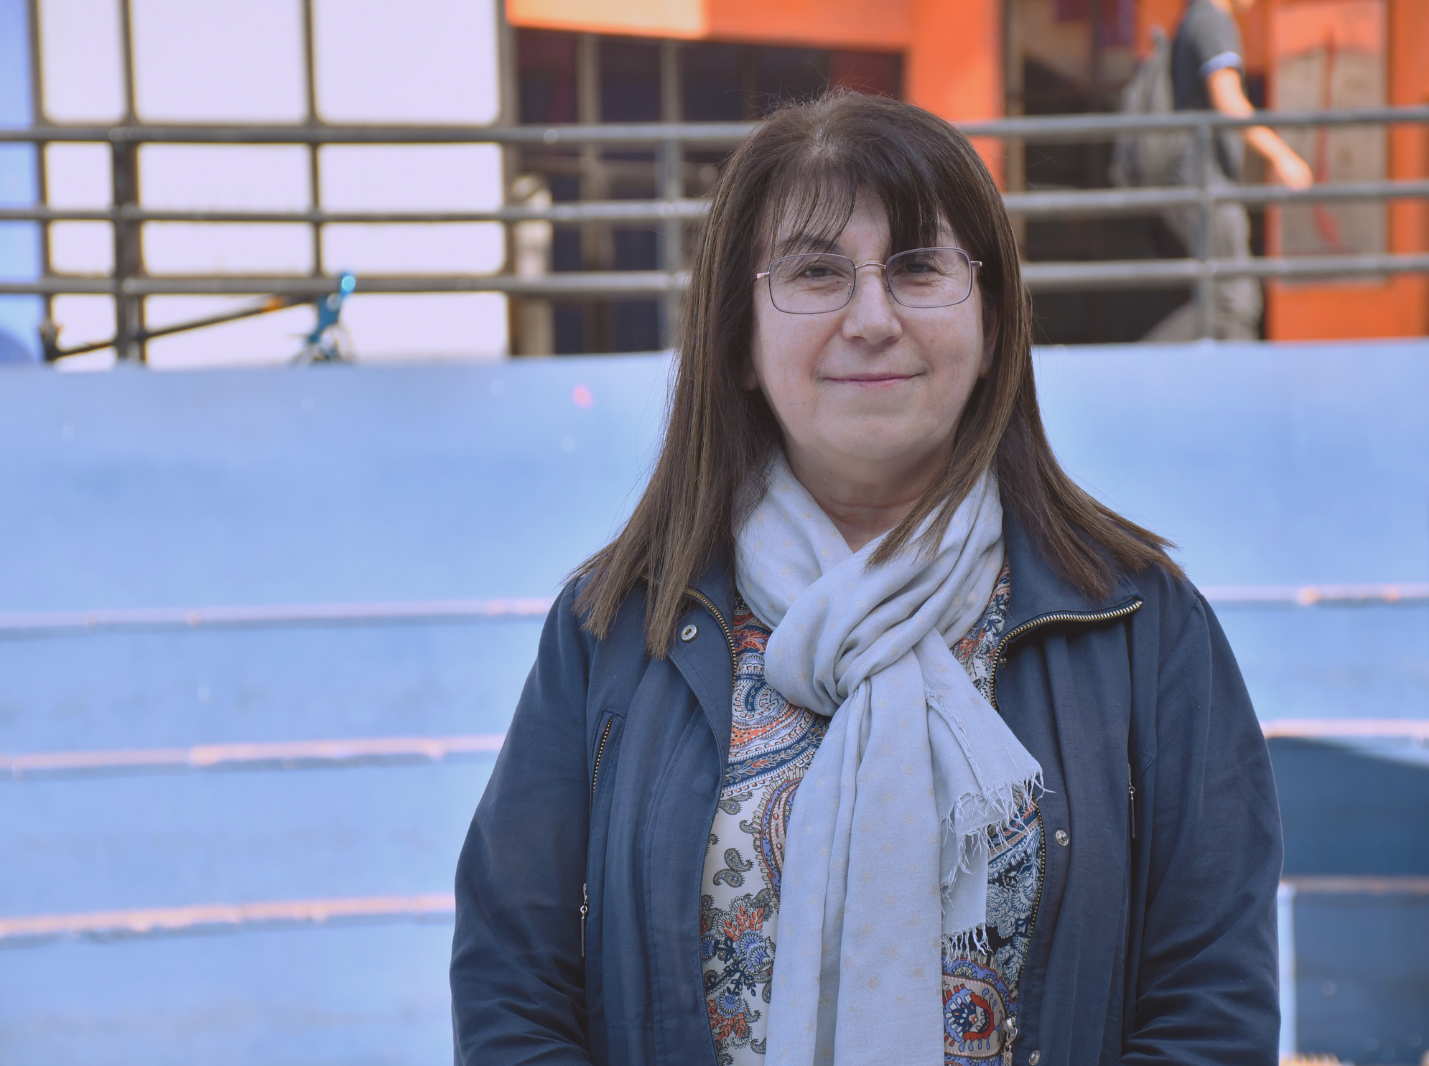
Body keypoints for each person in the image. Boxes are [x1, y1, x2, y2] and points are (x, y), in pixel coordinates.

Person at [451, 90, 1283, 1066]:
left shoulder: (1139, 625)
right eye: (816, 272)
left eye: (920, 267)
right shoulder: (617, 628)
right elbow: (513, 985)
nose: (873, 318)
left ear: (992, 323)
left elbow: (1210, 1008)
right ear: (740, 340)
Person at [1146, 0, 1313, 342]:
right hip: (1205, 179)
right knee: (1234, 301)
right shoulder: (1212, 20)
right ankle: (1140, 364)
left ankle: (1149, 364)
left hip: (1198, 178)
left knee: (1228, 300)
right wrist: (1282, 156)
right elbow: (1229, 101)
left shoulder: (1196, 18)